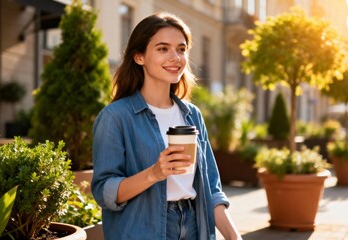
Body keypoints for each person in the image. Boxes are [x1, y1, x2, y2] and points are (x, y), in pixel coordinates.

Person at [91, 12, 242, 240]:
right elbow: (104, 191)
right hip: (142, 229)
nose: (175, 57)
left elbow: (211, 188)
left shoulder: (192, 115)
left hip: (194, 225)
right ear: (139, 57)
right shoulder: (116, 117)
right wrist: (154, 173)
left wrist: (233, 236)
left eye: (181, 49)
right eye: (163, 49)